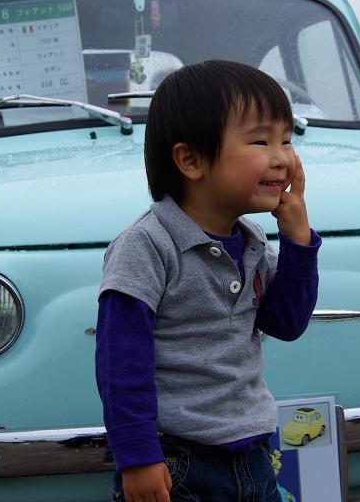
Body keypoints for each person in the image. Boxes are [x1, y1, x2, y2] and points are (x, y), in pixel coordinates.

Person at [96, 60, 321, 501]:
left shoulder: (252, 240)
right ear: (191, 160)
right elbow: (120, 360)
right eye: (261, 140)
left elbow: (287, 323)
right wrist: (138, 457)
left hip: (251, 454)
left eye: (287, 140)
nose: (282, 158)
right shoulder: (146, 245)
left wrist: (298, 240)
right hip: (177, 463)